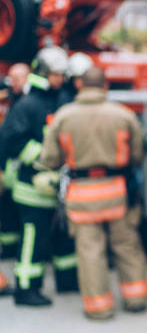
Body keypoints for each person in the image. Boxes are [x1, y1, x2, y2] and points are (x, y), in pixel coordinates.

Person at [39, 66, 147, 320]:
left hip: (82, 195)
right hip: (118, 192)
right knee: (126, 245)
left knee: (90, 252)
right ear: (105, 86)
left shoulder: (64, 116)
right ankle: (136, 299)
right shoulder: (123, 115)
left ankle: (99, 308)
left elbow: (50, 158)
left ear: (80, 85)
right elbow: (137, 155)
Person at [2, 46, 79, 306]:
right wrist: (45, 160)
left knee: (64, 236)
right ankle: (26, 289)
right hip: (33, 185)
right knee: (33, 238)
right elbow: (11, 142)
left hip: (60, 183)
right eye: (55, 74)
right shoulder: (28, 105)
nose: (59, 79)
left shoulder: (62, 100)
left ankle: (68, 281)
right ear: (44, 73)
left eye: (61, 74)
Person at [0, 63, 31, 260]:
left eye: (19, 78)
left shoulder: (30, 102)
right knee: (7, 211)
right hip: (7, 169)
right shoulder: (9, 100)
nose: (14, 82)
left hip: (24, 169)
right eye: (12, 78)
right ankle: (9, 249)